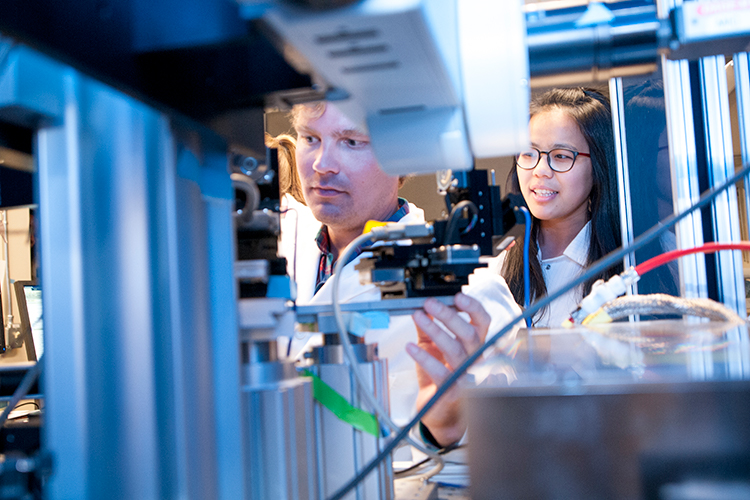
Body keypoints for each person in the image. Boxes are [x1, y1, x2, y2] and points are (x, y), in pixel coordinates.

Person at [276, 100, 521, 438]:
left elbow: (497, 429)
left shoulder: (470, 292)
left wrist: (441, 428)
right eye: (310, 138)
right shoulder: (278, 256)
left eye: (351, 142)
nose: (322, 164)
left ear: (405, 156)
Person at [494, 87, 623, 327]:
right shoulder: (495, 265)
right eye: (529, 153)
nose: (540, 170)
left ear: (598, 167)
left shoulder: (628, 264)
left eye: (561, 156)